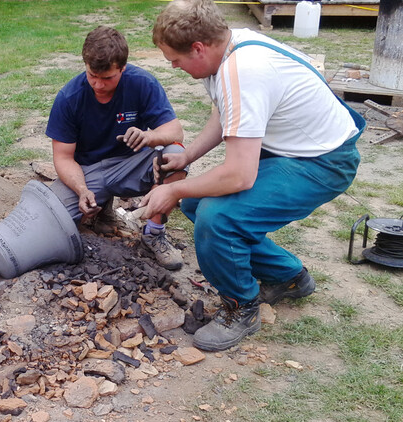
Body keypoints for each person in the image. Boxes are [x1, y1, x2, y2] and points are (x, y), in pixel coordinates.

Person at [143, 0, 365, 350]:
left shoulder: (243, 71)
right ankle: (288, 277)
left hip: (323, 161)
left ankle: (241, 307)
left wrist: (174, 190)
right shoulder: (226, 50)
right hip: (291, 149)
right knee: (197, 203)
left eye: (176, 59)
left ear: (198, 48)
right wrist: (187, 155)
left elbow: (239, 177)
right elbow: (224, 111)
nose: (175, 66)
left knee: (218, 218)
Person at [46, 25, 188, 270]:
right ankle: (100, 209)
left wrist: (148, 136)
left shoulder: (142, 83)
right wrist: (81, 189)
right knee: (52, 224)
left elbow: (175, 132)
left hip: (130, 165)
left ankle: (154, 234)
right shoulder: (69, 97)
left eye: (107, 78)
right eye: (93, 76)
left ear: (122, 68)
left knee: (175, 154)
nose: (99, 85)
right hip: (89, 172)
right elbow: (63, 157)